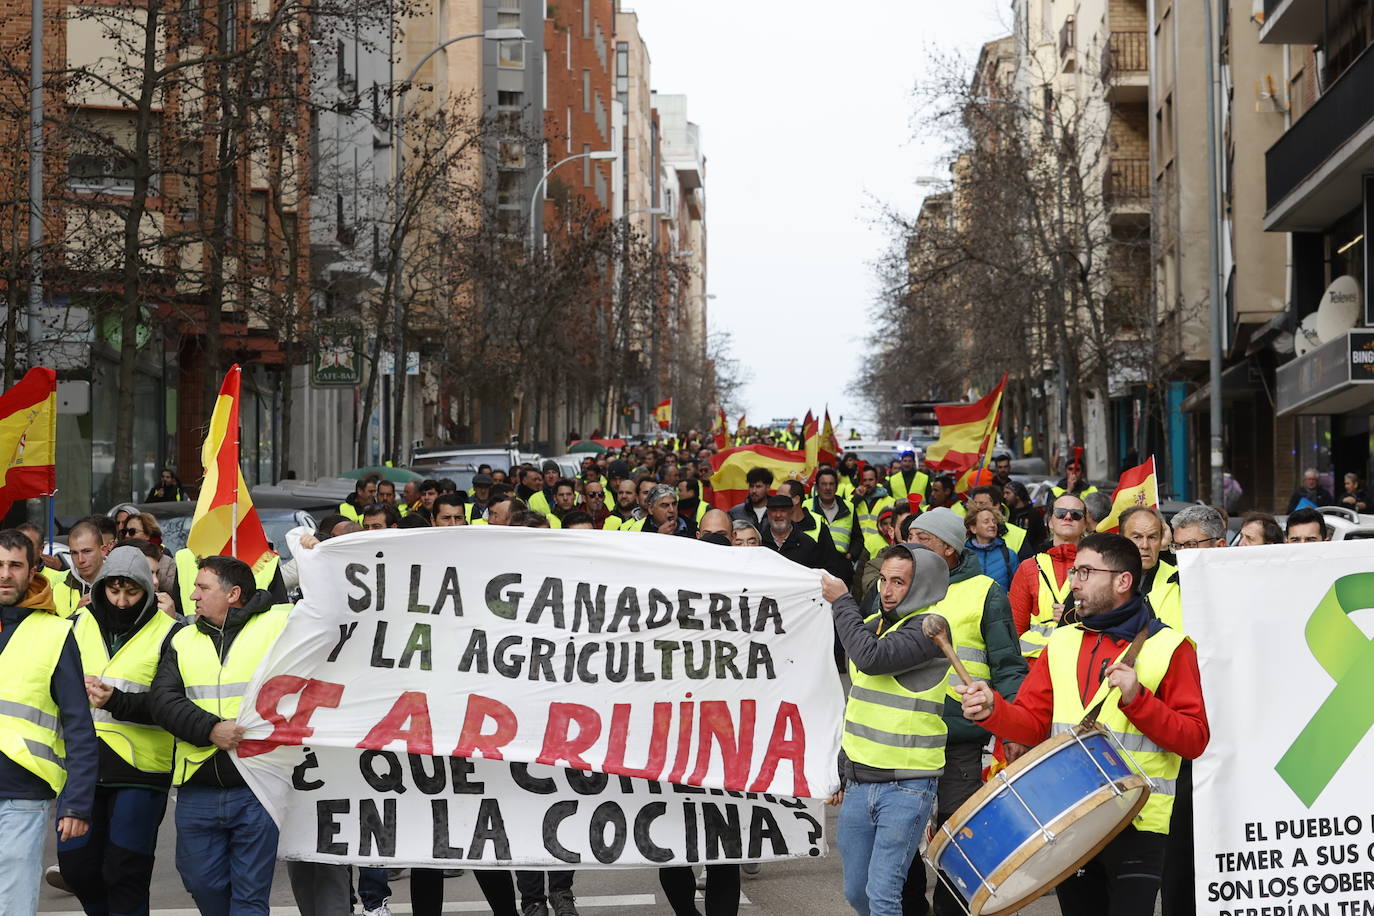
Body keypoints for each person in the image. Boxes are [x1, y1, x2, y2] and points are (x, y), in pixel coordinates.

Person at [958, 532, 1209, 916]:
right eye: (1075, 571)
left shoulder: (1171, 647)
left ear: (1123, 581)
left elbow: (1194, 740)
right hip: (1069, 816)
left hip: (1139, 821)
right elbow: (1032, 725)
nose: (1073, 581)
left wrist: (1137, 700)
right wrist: (993, 709)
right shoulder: (1060, 643)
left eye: (1086, 572)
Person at [900, 509, 1027, 916]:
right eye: (910, 536)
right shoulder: (896, 584)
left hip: (959, 736)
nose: (912, 545)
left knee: (958, 840)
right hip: (902, 735)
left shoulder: (984, 590)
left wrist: (1011, 726)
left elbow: (1007, 663)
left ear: (949, 548)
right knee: (902, 844)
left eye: (923, 538)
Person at [149, 556, 292, 914]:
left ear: (234, 594)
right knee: (201, 882)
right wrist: (210, 729)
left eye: (202, 587)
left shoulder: (278, 624)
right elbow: (162, 700)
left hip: (257, 784)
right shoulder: (183, 639)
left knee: (249, 896)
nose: (192, 595)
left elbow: (328, 612)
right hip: (199, 786)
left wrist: (311, 550)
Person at [820, 545, 951, 916]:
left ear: (923, 585)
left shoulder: (930, 628)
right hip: (862, 781)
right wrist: (843, 769)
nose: (887, 590)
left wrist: (843, 602)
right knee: (857, 893)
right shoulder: (879, 623)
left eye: (899, 582)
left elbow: (871, 660)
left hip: (907, 785)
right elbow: (860, 704)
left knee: (882, 895)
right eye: (883, 580)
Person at [59, 545, 180, 916]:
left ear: (147, 588)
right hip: (81, 767)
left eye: (132, 592)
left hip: (141, 770)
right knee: (75, 867)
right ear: (101, 588)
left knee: (125, 870)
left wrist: (115, 700)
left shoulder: (171, 633)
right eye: (114, 591)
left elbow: (171, 706)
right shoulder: (77, 624)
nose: (122, 601)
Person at [0, 527, 96, 915]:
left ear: (32, 569)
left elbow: (79, 726)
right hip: (21, 793)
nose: (5, 573)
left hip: (22, 793)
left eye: (14, 565)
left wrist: (76, 803)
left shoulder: (55, 633)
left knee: (12, 901)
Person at [1160, 504, 1226, 916]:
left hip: (1239, 738)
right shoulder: (1164, 588)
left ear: (1219, 545)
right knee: (1179, 858)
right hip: (1184, 741)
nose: (1182, 555)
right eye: (1177, 547)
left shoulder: (1251, 587)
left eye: (1191, 546)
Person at [1008, 493, 1088, 658]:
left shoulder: (1099, 567)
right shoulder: (1028, 567)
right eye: (1060, 513)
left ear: (1085, 524)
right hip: (1034, 667)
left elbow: (1111, 619)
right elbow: (1015, 631)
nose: (1067, 517)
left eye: (1076, 514)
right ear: (1050, 522)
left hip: (1080, 663)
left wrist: (1078, 616)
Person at [1120, 507, 1180, 630]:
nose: (1145, 545)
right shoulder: (1098, 579)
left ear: (1161, 540)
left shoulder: (1181, 579)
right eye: (1137, 537)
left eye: (1152, 537)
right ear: (1121, 539)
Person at [54, 519, 109, 618]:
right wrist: (76, 616)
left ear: (103, 550)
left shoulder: (120, 586)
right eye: (74, 553)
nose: (80, 560)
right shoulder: (57, 591)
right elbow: (54, 633)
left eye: (87, 551)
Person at [811, 467, 864, 570]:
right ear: (817, 487)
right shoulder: (807, 506)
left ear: (836, 487)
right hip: (814, 564)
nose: (828, 488)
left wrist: (851, 556)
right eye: (824, 484)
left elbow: (857, 538)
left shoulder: (849, 507)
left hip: (841, 564)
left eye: (831, 484)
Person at [963, 505, 1016, 592]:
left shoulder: (1009, 555)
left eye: (994, 521)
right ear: (973, 528)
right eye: (986, 522)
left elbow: (1017, 588)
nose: (992, 525)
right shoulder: (964, 555)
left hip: (1000, 605)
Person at [625, 484, 691, 536]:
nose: (671, 510)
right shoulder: (637, 529)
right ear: (651, 509)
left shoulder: (690, 527)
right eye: (665, 505)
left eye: (674, 504)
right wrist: (658, 538)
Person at [1003, 481, 1047, 553]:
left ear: (1017, 495)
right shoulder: (1008, 513)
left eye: (1008, 493)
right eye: (1004, 493)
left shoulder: (1033, 514)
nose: (1005, 496)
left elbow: (1040, 537)